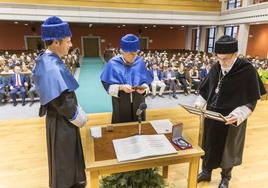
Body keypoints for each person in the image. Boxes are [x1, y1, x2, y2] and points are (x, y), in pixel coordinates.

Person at [194, 35, 266, 188]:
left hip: (233, 116)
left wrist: (239, 114)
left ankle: (226, 177)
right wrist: (199, 103)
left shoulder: (247, 70)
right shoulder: (217, 66)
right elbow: (206, 89)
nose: (222, 62)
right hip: (212, 114)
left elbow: (251, 99)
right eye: (219, 58)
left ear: (235, 55)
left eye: (225, 59)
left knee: (229, 148)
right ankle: (206, 171)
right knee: (209, 144)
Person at [32, 16, 88, 188]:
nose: (71, 45)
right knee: (65, 161)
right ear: (56, 42)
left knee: (66, 158)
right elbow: (62, 100)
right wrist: (79, 116)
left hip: (59, 120)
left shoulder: (47, 59)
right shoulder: (52, 67)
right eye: (68, 41)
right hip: (62, 122)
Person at [100, 34, 152, 123]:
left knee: (139, 124)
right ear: (122, 52)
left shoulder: (140, 61)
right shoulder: (112, 64)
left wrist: (144, 89)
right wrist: (121, 87)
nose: (133, 56)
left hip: (138, 99)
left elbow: (146, 82)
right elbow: (106, 85)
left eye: (135, 53)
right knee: (122, 126)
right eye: (130, 54)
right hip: (121, 101)